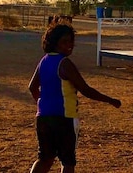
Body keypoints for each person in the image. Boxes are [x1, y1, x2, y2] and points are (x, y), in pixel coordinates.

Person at [28, 23, 121, 173]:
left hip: (43, 117)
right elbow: (85, 89)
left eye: (71, 41)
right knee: (67, 161)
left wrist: (42, 104)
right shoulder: (64, 64)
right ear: (54, 43)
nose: (70, 45)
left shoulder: (43, 61)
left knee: (44, 158)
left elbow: (32, 87)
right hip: (65, 118)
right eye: (65, 42)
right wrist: (110, 100)